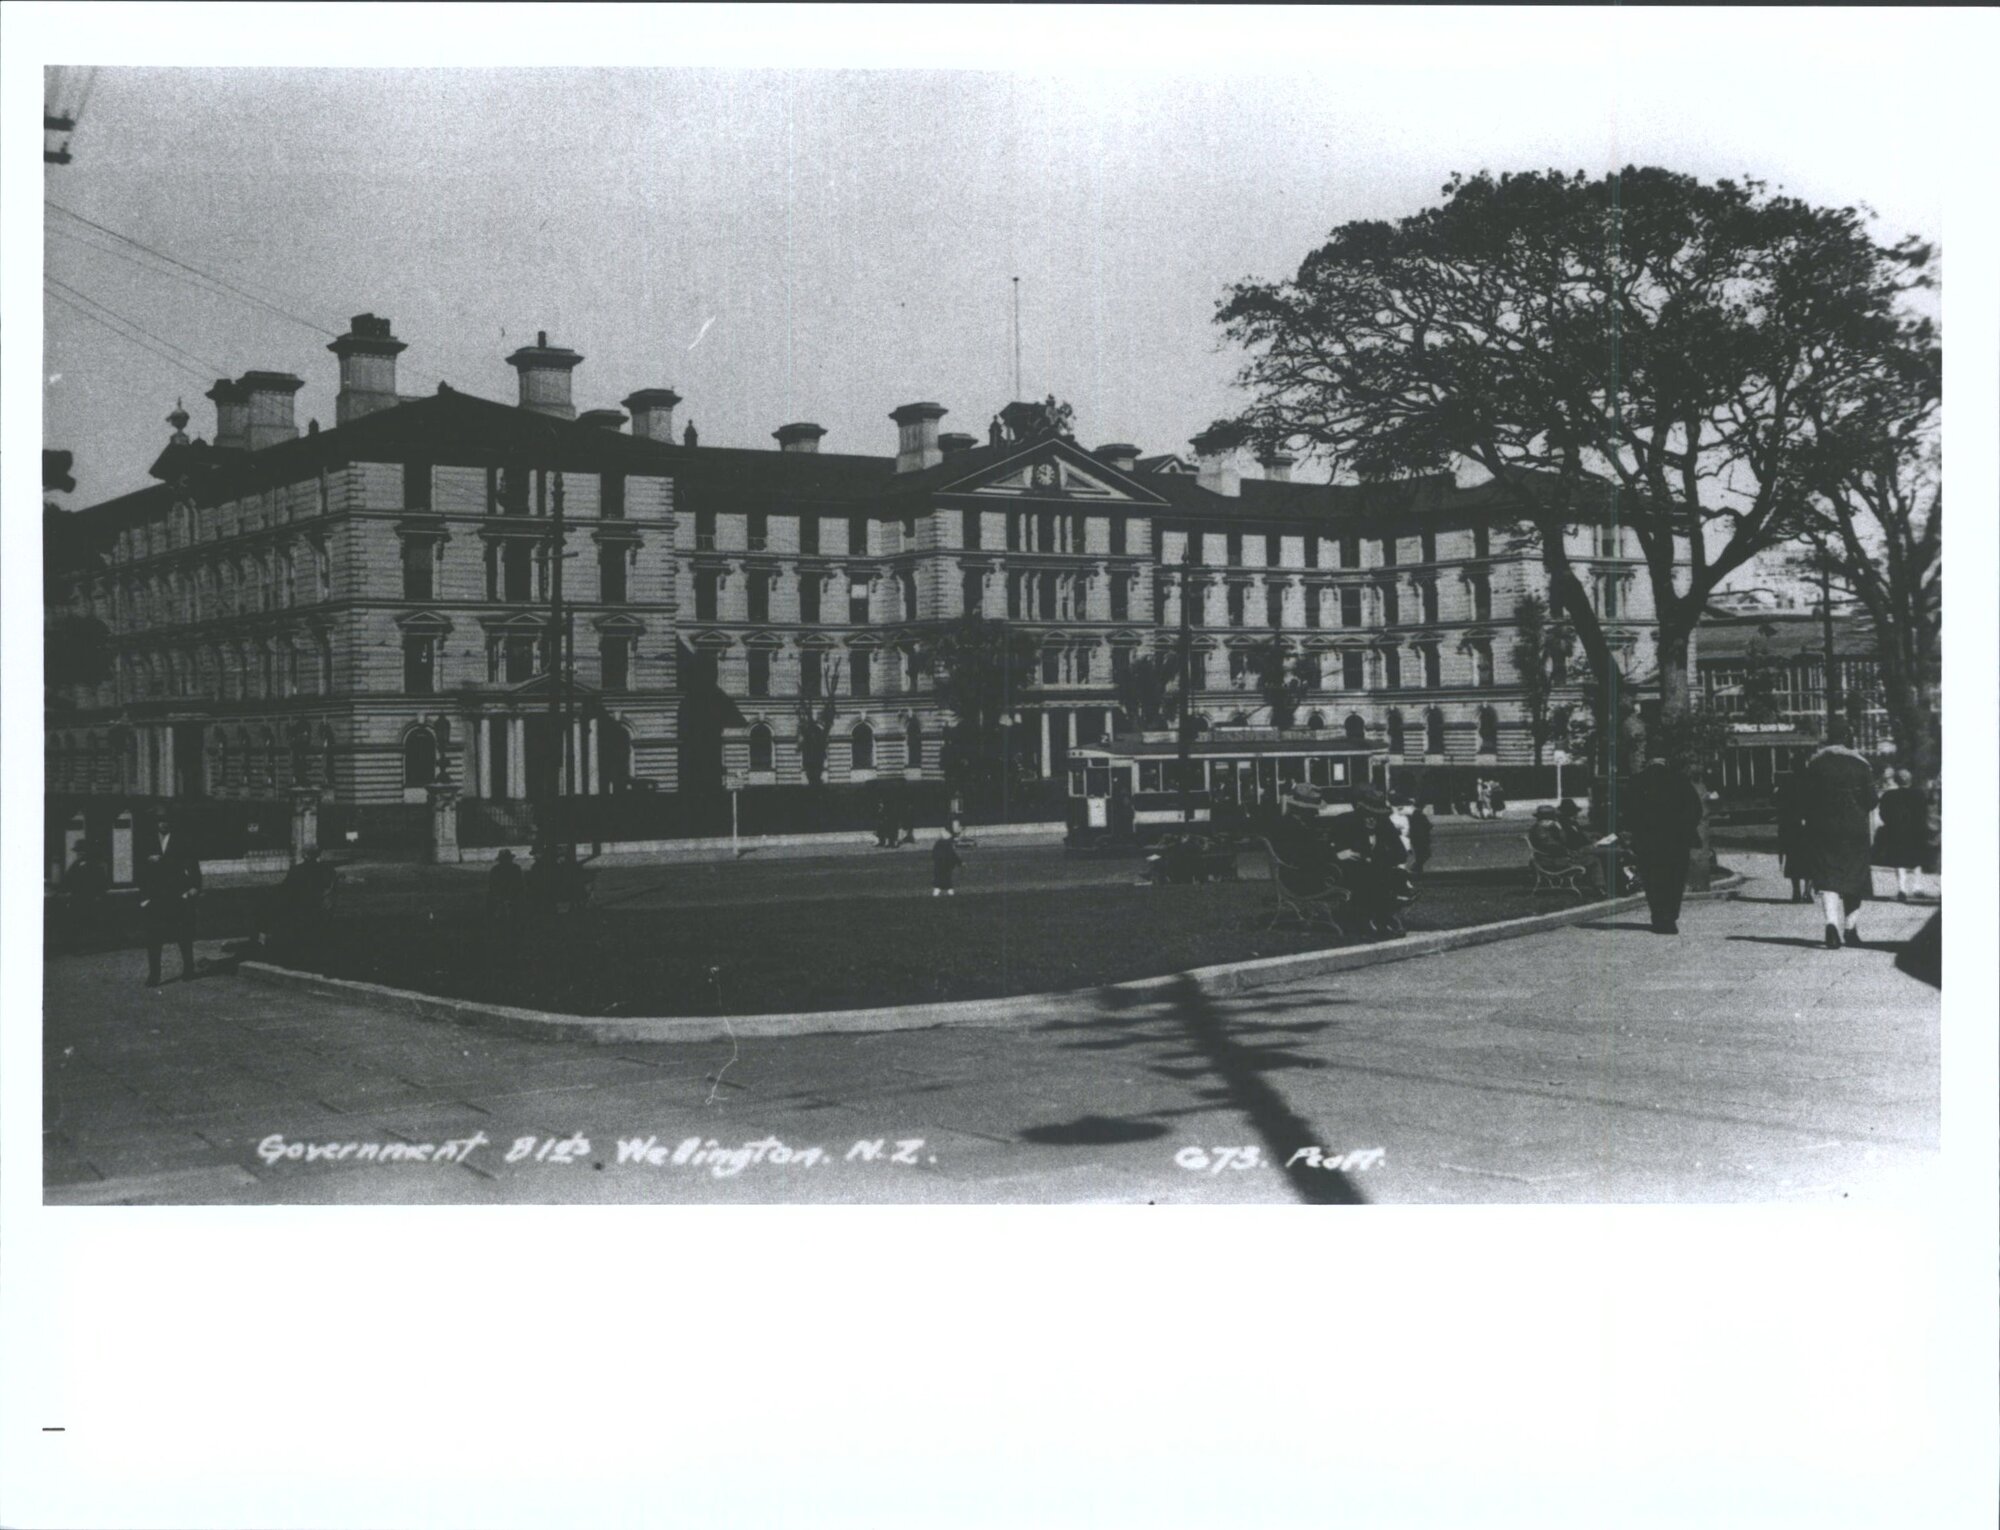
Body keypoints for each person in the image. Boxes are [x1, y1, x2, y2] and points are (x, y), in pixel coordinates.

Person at [1801, 722, 1877, 948]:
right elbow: (1872, 800)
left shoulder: (1815, 765)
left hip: (1823, 829)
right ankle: (1850, 929)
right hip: (1854, 829)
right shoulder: (1861, 765)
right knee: (1856, 877)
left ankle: (1831, 924)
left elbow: (1805, 799)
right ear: (1849, 739)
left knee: (1828, 877)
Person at [1624, 755, 1704, 935]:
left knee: (1653, 879)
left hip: (1648, 841)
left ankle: (1658, 916)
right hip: (1677, 841)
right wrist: (1684, 830)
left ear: (1649, 762)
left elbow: (1628, 812)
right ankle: (1671, 917)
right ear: (1665, 762)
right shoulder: (1679, 780)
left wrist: (1637, 833)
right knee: (1675, 879)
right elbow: (1695, 809)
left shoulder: (1637, 781)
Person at [138, 811, 203, 986]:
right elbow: (140, 870)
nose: (163, 824)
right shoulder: (147, 842)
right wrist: (144, 897)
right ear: (156, 823)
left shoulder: (181, 841)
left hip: (177, 894)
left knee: (183, 934)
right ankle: (154, 975)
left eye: (166, 821)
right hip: (155, 897)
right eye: (160, 821)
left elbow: (192, 863)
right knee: (153, 937)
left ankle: (188, 969)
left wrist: (195, 886)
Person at [1874, 768, 1927, 903]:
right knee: (1917, 859)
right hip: (1916, 831)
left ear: (1896, 781)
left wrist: (1891, 823)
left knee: (1899, 860)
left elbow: (1883, 813)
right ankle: (1917, 887)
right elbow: (1924, 812)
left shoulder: (1889, 795)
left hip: (1896, 831)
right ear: (1910, 780)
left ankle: (1902, 889)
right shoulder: (1920, 794)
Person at [1772, 771, 1812, 903]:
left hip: (1791, 829)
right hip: (1808, 828)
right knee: (1810, 860)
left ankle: (1796, 892)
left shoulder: (1785, 784)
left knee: (1793, 860)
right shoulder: (1810, 782)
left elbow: (1776, 803)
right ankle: (1807, 891)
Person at [486, 848, 524, 922]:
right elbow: (492, 886)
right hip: (499, 897)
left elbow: (519, 884)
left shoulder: (516, 869)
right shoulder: (495, 870)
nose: (505, 862)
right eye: (503, 860)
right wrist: (499, 898)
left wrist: (511, 897)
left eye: (507, 859)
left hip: (514, 896)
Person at [1406, 802, 1433, 878]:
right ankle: (1415, 867)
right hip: (1422, 838)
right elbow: (1428, 825)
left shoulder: (1413, 816)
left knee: (1420, 855)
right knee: (1425, 854)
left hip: (1416, 838)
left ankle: (1418, 869)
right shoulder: (1420, 815)